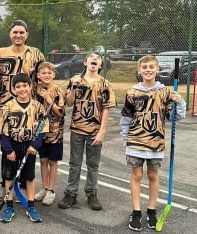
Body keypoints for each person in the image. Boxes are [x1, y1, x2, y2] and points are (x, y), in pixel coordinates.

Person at [0, 19, 45, 201]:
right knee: (8, 149)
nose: (18, 35)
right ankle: (4, 183)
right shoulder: (0, 53)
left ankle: (24, 181)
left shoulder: (36, 54)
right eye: (15, 32)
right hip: (8, 108)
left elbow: (45, 75)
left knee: (28, 148)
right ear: (10, 34)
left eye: (22, 32)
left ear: (27, 35)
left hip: (30, 110)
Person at [120, 55, 186, 231]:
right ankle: (136, 211)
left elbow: (175, 117)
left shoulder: (165, 92)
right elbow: (126, 118)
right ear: (139, 71)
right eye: (144, 67)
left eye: (151, 67)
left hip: (156, 143)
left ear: (157, 70)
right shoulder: (132, 93)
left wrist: (179, 101)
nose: (148, 70)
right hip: (135, 142)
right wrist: (125, 139)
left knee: (153, 176)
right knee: (136, 176)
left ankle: (151, 210)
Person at [58, 52, 116, 211]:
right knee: (74, 163)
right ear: (85, 62)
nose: (95, 59)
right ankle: (71, 193)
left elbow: (106, 109)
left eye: (98, 59)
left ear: (100, 65)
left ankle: (92, 193)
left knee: (93, 165)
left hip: (95, 130)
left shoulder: (104, 84)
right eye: (91, 58)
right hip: (77, 128)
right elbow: (68, 103)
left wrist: (102, 132)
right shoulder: (75, 80)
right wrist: (73, 88)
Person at [0, 73, 48, 223]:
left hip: (29, 147)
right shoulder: (7, 106)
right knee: (9, 176)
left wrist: (35, 145)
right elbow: (3, 131)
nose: (22, 89)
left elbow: (42, 129)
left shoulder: (37, 106)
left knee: (30, 176)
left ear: (30, 86)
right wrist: (8, 150)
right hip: (12, 145)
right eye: (18, 86)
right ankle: (9, 207)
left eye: (24, 85)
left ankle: (31, 206)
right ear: (13, 89)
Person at [32, 61, 65, 206]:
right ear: (38, 75)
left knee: (52, 161)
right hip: (40, 131)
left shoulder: (57, 90)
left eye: (49, 73)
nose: (46, 75)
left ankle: (51, 190)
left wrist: (49, 99)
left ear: (54, 74)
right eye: (43, 73)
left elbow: (60, 113)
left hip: (54, 132)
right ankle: (44, 188)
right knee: (43, 160)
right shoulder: (36, 88)